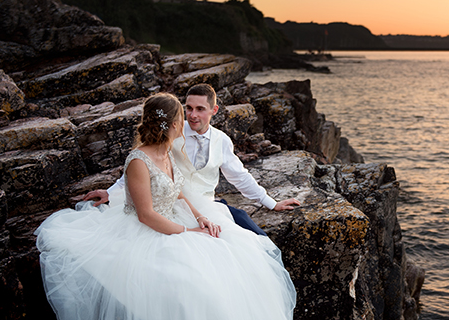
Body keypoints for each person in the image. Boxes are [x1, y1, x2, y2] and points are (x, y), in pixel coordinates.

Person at [35, 93, 301, 320]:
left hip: (180, 217)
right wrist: (186, 232)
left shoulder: (171, 151)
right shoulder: (139, 159)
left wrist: (201, 219)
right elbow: (145, 213)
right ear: (174, 123)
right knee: (192, 281)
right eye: (183, 115)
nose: (188, 119)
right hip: (151, 230)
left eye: (196, 110)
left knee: (241, 252)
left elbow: (180, 191)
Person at [84, 83, 300, 237]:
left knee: (256, 237)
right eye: (188, 108)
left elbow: (240, 177)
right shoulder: (170, 132)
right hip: (173, 208)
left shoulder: (221, 140)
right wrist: (111, 192)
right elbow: (142, 169)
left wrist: (272, 203)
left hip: (206, 205)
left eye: (200, 109)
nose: (192, 115)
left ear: (213, 111)